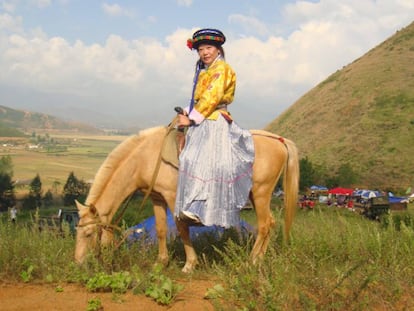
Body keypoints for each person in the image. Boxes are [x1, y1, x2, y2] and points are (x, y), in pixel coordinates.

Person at [174, 28, 255, 228]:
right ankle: (194, 208)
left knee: (198, 160)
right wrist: (186, 111)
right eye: (201, 49)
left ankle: (200, 209)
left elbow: (212, 98)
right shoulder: (205, 72)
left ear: (218, 49)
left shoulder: (221, 69)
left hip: (215, 120)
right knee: (186, 157)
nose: (204, 52)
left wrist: (191, 120)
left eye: (208, 47)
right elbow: (200, 99)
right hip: (203, 117)